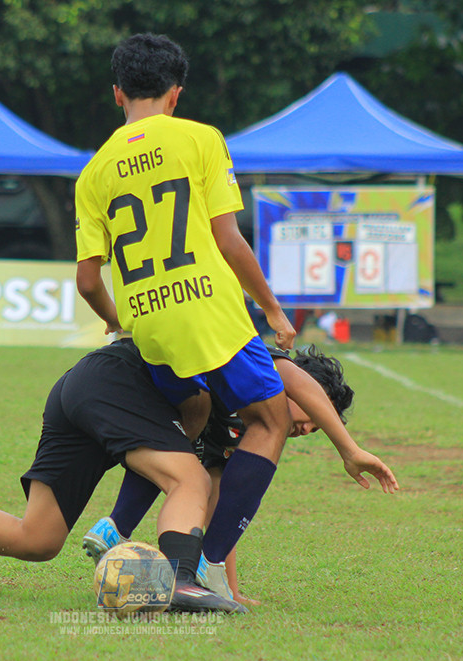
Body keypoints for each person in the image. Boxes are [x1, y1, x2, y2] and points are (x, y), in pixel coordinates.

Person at [74, 34, 297, 566]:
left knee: (191, 415)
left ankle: (116, 523)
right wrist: (271, 307)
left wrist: (116, 321)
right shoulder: (201, 139)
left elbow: (86, 282)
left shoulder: (94, 171)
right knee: (272, 421)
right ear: (175, 95)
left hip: (150, 327)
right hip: (208, 314)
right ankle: (210, 564)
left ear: (116, 94)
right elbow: (228, 238)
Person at [0, 339, 252, 614]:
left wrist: (227, 587)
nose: (297, 431)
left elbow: (219, 502)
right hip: (117, 384)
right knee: (191, 481)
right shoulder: (258, 373)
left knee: (37, 539)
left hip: (79, 386)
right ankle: (179, 581)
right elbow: (210, 490)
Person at [83, 345, 398, 606]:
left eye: (315, 428)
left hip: (141, 405)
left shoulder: (249, 429)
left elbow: (223, 502)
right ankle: (120, 526)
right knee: (186, 465)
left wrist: (230, 590)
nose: (307, 428)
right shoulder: (263, 368)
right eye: (313, 414)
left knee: (197, 476)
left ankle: (126, 534)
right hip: (139, 393)